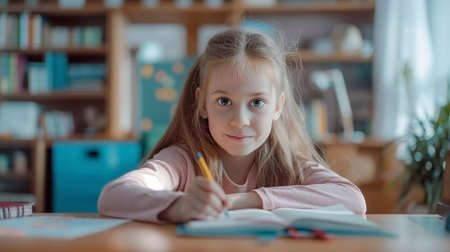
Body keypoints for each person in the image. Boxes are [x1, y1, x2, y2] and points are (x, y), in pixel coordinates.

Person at [98, 28, 366, 223]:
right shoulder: (181, 162)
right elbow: (113, 196)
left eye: (257, 103)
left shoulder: (287, 164)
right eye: (224, 101)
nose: (240, 120)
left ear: (278, 107)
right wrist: (179, 207)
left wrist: (248, 200)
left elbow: (353, 200)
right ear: (202, 103)